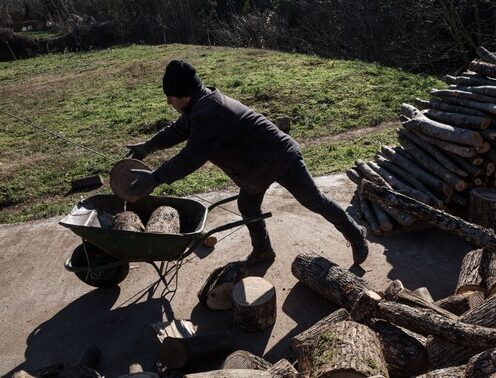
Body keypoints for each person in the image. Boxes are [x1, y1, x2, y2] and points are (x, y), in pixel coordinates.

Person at [126, 60, 369, 265]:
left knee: (313, 200)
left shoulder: (210, 111)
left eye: (170, 98)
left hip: (280, 157)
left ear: (184, 95)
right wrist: (148, 146)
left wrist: (155, 178)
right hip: (256, 166)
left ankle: (355, 234)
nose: (170, 104)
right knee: (248, 206)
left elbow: (190, 158)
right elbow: (176, 131)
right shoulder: (198, 106)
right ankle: (263, 251)